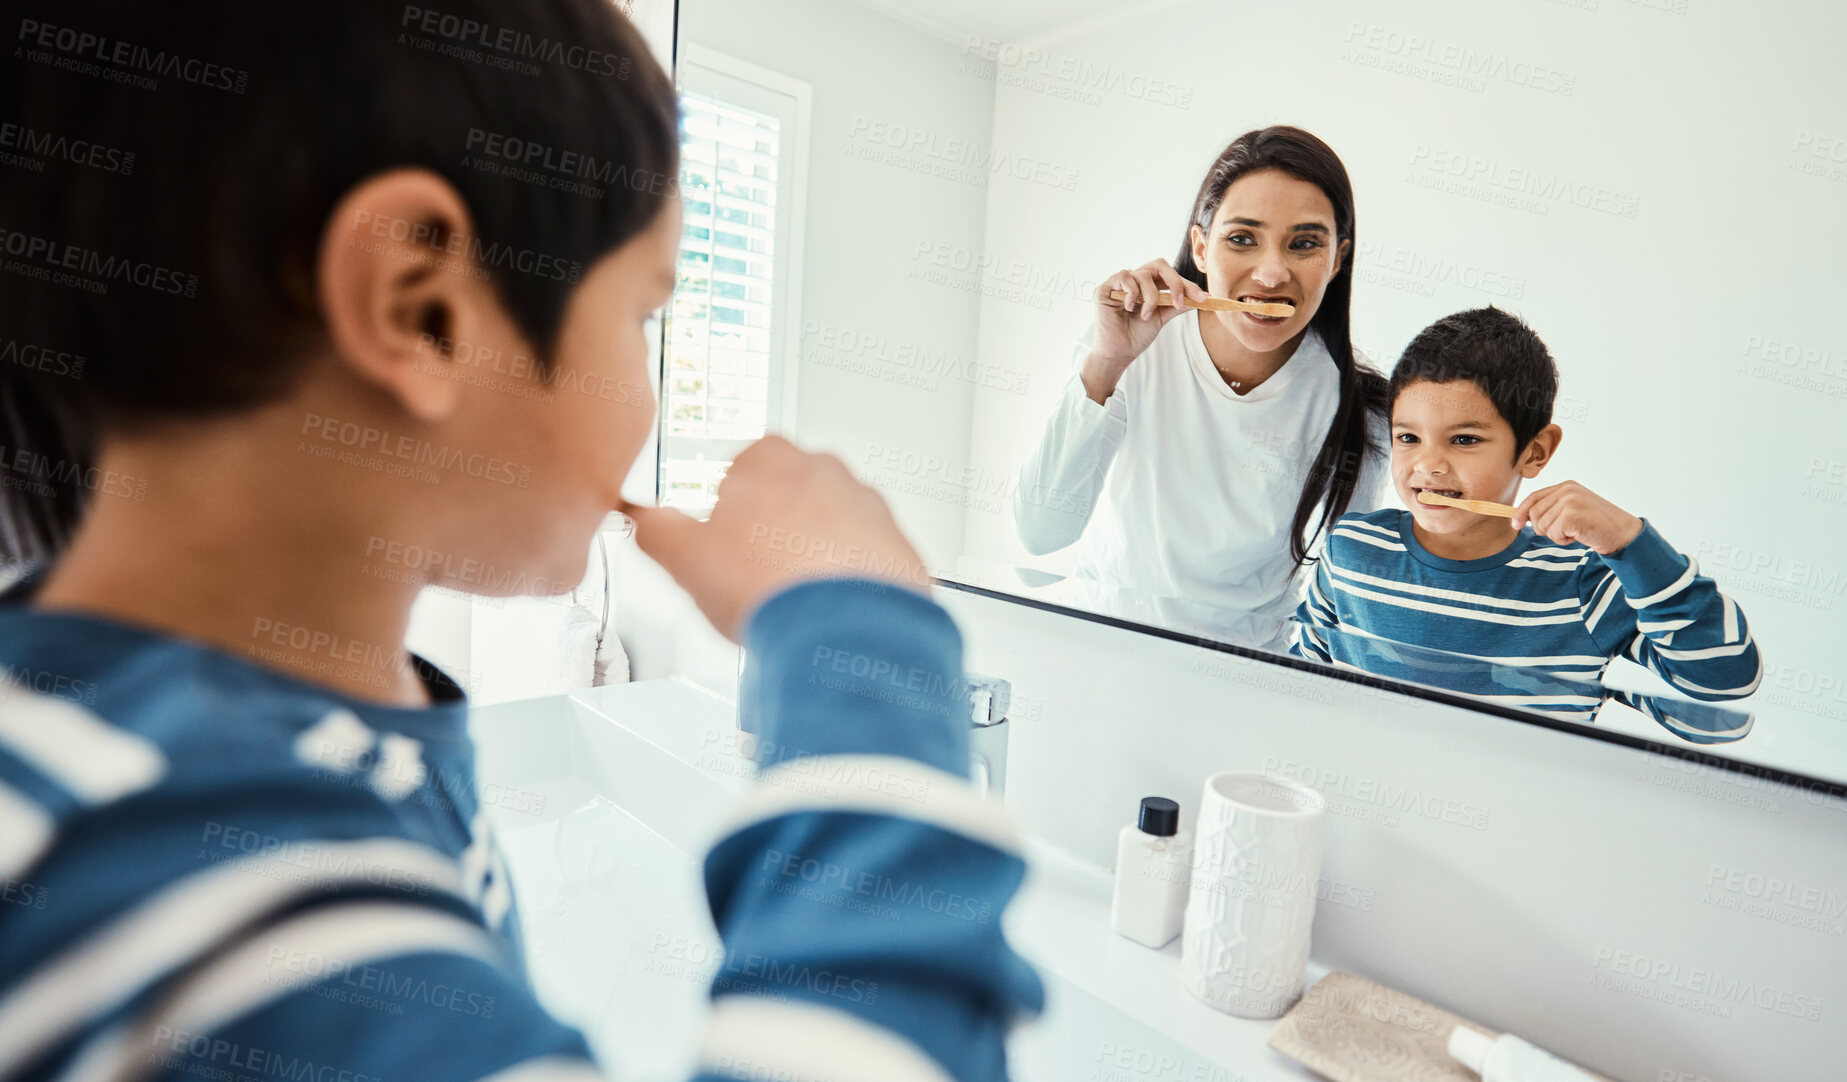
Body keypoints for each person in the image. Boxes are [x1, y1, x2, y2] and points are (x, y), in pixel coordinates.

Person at [0, 3, 1040, 1081]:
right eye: (641, 315)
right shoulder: (210, 893)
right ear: (421, 308)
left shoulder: (192, 750)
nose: (644, 390)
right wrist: (862, 641)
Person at [1290, 307, 1762, 740]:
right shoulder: (1351, 549)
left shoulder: (1584, 582)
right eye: (1408, 437)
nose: (1428, 465)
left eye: (1465, 440)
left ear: (1535, 451)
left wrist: (1630, 543)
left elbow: (1724, 679)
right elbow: (1297, 686)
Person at [1012, 127, 1390, 646]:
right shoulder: (1132, 350)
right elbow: (1040, 533)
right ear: (1201, 247)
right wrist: (1106, 362)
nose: (1272, 273)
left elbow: (1353, 596)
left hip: (1251, 678)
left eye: (1304, 244)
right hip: (1104, 650)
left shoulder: (1361, 407)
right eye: (1241, 239)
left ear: (1337, 258)